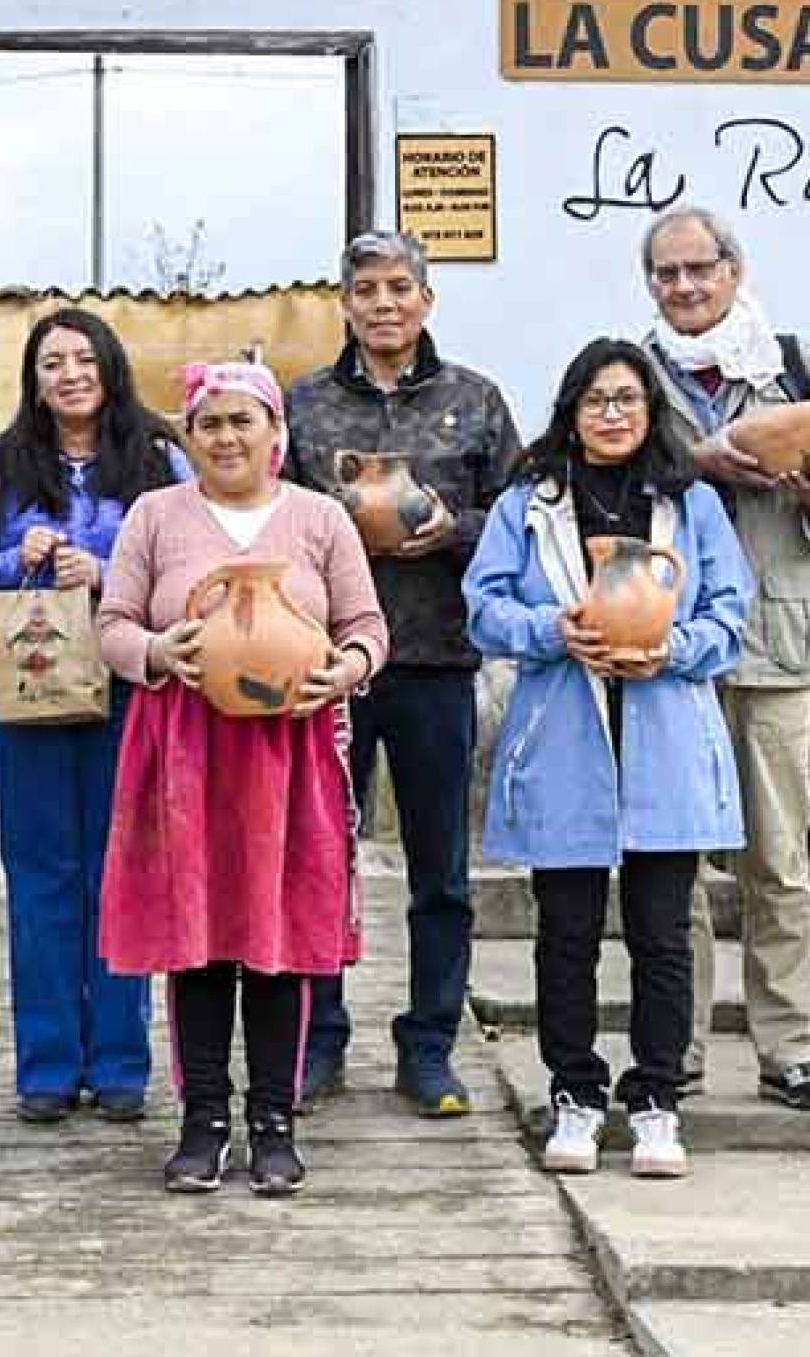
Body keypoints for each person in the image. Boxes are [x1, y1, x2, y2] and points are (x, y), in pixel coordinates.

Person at [96, 359, 387, 1196]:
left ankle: (273, 1121)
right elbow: (112, 623)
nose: (226, 436)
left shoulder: (319, 519)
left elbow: (367, 625)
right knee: (195, 942)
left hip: (287, 756)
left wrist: (348, 668)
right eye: (210, 423)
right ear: (190, 437)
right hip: (184, 749)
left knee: (275, 940)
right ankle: (202, 1122)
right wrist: (155, 652)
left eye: (242, 421)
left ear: (276, 435)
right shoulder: (157, 517)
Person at [464, 338, 750, 1177]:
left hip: (660, 729)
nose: (613, 414)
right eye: (596, 400)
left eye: (627, 399)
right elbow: (483, 606)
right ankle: (576, 1095)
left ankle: (657, 1098)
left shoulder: (690, 504)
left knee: (663, 933)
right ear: (571, 410)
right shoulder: (531, 501)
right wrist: (552, 631)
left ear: (650, 409)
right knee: (568, 933)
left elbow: (731, 614)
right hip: (566, 731)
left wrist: (674, 648)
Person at [637, 207, 810, 1112]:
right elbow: (606, 490)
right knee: (674, 867)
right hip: (667, 650)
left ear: (735, 270)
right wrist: (693, 463)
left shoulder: (796, 366)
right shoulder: (633, 375)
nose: (685, 287)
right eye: (667, 273)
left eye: (701, 268)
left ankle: (793, 1052)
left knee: (778, 861)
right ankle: (678, 1051)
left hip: (779, 646)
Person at [285, 230, 521, 1115]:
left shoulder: (477, 402)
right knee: (319, 857)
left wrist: (454, 530)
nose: (384, 305)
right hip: (328, 665)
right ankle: (319, 1037)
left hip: (434, 658)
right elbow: (268, 514)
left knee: (441, 872)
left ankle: (430, 1046)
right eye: (367, 290)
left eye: (400, 288)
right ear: (344, 303)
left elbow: (522, 512)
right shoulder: (303, 406)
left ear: (426, 300)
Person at [0, 309, 187, 1124]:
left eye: (85, 358)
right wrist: (26, 558)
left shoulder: (157, 461)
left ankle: (120, 1063)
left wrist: (107, 568)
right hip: (31, 690)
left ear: (110, 368)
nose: (71, 374)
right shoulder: (0, 466)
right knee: (42, 873)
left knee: (123, 867)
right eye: (53, 363)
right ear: (34, 380)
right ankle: (47, 1066)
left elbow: (193, 574)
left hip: (133, 691)